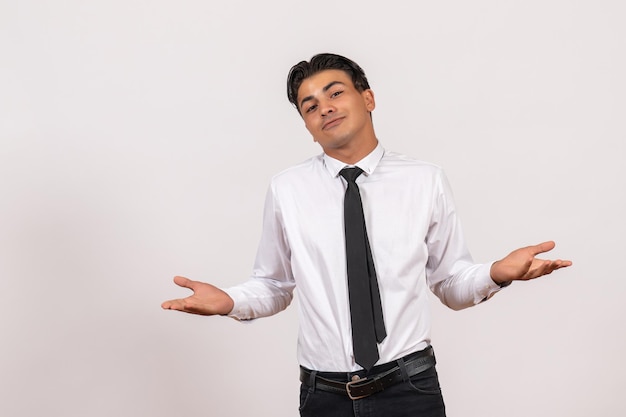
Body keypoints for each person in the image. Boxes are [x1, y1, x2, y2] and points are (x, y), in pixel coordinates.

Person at [161, 53, 571, 417]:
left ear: (368, 99)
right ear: (307, 125)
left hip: (409, 388)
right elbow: (275, 284)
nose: (325, 108)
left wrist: (496, 273)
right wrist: (230, 301)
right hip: (323, 396)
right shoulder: (287, 189)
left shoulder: (424, 180)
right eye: (310, 106)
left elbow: (449, 283)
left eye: (335, 93)